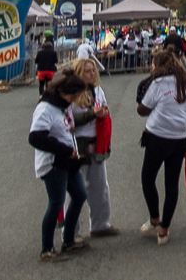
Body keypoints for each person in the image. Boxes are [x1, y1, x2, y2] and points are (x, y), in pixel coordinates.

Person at [137, 51, 186, 245]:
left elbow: (142, 110)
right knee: (171, 184)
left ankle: (155, 218)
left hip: (157, 136)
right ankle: (164, 230)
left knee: (148, 178)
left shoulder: (157, 83)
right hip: (179, 138)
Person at [28, 73, 89, 262]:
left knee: (79, 195)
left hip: (67, 159)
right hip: (53, 162)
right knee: (56, 202)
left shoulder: (63, 106)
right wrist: (62, 148)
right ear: (65, 91)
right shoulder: (46, 108)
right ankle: (46, 248)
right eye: (74, 95)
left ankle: (68, 240)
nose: (75, 100)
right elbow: (35, 138)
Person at [69, 58, 118, 237]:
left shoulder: (97, 91)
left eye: (92, 70)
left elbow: (103, 109)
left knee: (99, 187)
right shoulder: (72, 94)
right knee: (75, 191)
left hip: (97, 143)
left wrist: (103, 112)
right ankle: (71, 232)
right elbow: (70, 122)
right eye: (87, 71)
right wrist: (92, 114)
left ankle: (99, 224)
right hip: (78, 144)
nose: (91, 74)